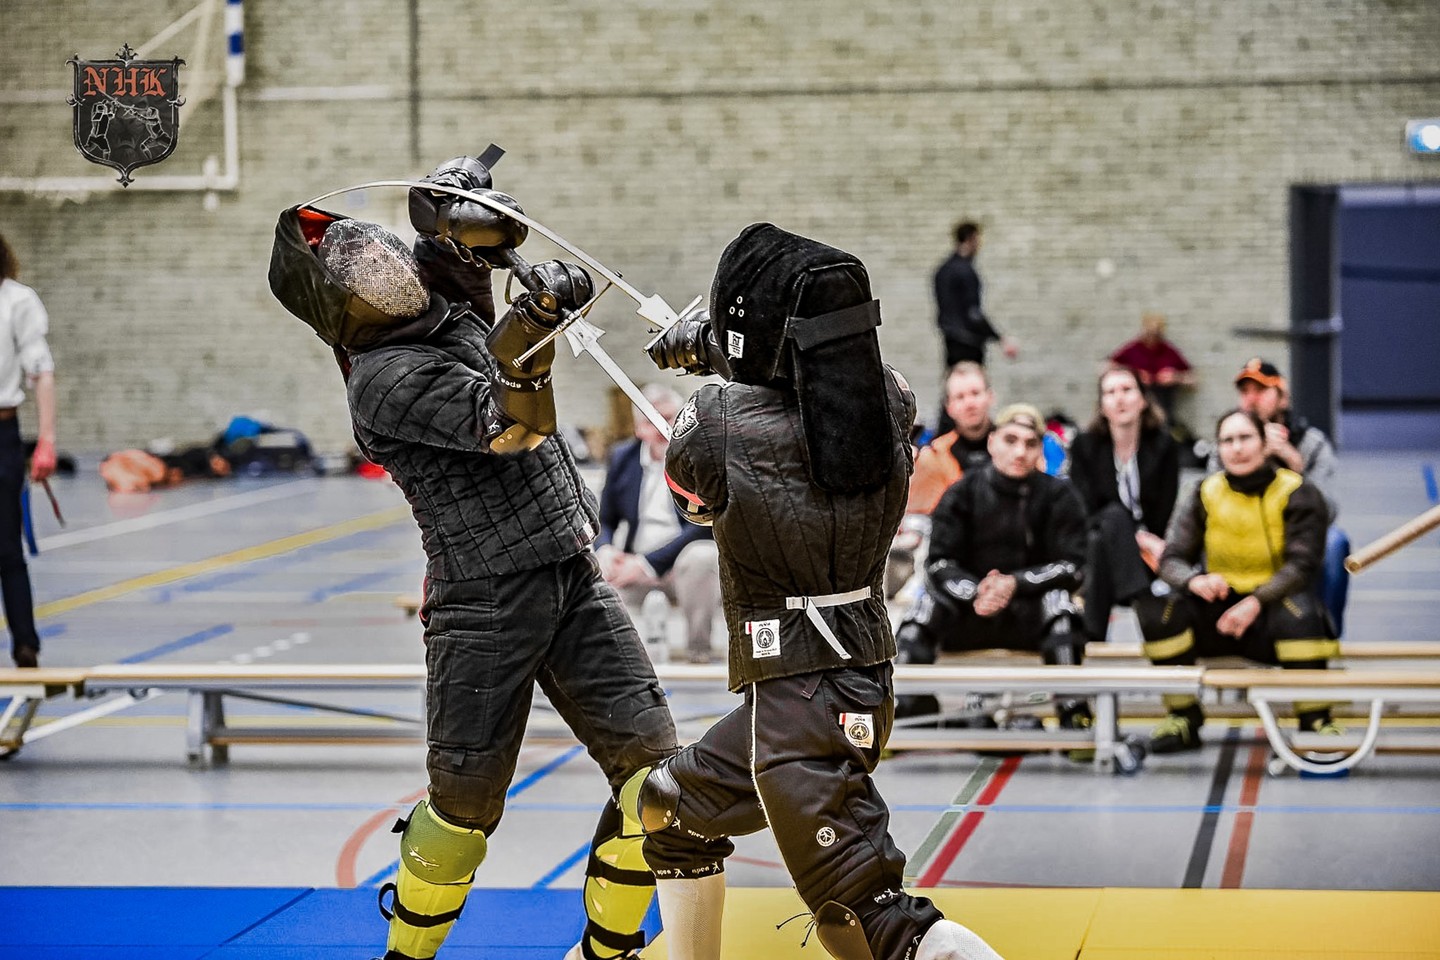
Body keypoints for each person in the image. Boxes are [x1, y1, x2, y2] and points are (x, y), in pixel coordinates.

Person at [267, 155, 682, 960]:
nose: (384, 262)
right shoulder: (383, 380)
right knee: (461, 812)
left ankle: (604, 953)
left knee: (659, 783)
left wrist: (458, 198)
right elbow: (510, 425)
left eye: (375, 245)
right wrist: (530, 331)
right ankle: (407, 956)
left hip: (567, 572)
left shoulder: (429, 306)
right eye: (361, 264)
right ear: (342, 304)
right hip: (484, 601)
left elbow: (455, 243)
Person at [635, 223, 1005, 960]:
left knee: (868, 920)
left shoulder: (714, 423)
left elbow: (692, 497)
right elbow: (822, 383)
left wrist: (713, 354)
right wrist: (722, 347)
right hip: (841, 682)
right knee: (674, 810)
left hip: (803, 702)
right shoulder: (893, 400)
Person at [1137, 409, 1338, 753]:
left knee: (1301, 611)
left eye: (1245, 438)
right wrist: (1194, 581)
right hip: (1219, 614)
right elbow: (1171, 559)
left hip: (1273, 616)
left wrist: (1256, 601)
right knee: (1157, 611)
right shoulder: (1205, 491)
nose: (1236, 448)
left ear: (1264, 444)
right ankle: (1184, 717)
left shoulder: (1298, 491)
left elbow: (1302, 566)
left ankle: (1315, 720)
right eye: (1227, 441)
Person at [892, 404, 1090, 733]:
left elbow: (1074, 566)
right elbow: (939, 563)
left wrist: (1015, 583)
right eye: (1010, 440)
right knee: (923, 606)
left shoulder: (1060, 496)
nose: (1019, 452)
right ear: (992, 441)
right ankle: (910, 706)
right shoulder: (961, 493)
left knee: (1061, 604)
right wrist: (976, 591)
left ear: (1039, 449)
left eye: (1029, 444)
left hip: (1031, 617)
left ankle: (1073, 713)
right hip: (971, 614)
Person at [1219, 358, 1349, 636]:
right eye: (1245, 392)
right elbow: (1208, 498)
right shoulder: (1232, 439)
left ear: (1282, 397)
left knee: (1336, 543)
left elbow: (1328, 511)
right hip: (1240, 531)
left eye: (1261, 390)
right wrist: (1255, 460)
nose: (1251, 399)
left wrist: (1295, 465)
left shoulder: (1312, 443)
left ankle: (1324, 632)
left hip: (1296, 534)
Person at [596, 382, 721, 663]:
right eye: (655, 420)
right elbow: (605, 520)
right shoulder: (622, 457)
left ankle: (698, 652)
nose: (666, 427)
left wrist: (646, 563)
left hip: (682, 567)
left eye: (672, 417)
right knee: (596, 573)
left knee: (703, 556)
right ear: (640, 428)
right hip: (635, 564)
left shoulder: (699, 457)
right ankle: (620, 661)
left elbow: (703, 525)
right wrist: (606, 551)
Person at [1067, 365, 1179, 644]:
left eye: (1127, 390)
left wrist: (1145, 542)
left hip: (1149, 554)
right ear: (1102, 406)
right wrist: (1136, 538)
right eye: (1110, 392)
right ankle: (1142, 601)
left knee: (1104, 541)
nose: (1119, 398)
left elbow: (1165, 510)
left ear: (1143, 400)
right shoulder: (1084, 446)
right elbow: (1085, 512)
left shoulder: (1164, 446)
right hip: (1104, 543)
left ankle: (1089, 641)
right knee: (1110, 522)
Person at [0, 232, 56, 670]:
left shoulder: (17, 301)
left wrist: (47, 442)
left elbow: (41, 370)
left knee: (7, 549)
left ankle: (26, 645)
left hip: (3, 432)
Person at [933, 222, 1016, 435]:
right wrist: (1000, 339)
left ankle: (944, 437)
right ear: (971, 238)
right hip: (969, 342)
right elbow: (974, 314)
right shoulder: (966, 271)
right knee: (971, 391)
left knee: (954, 391)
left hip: (951, 340)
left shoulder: (942, 270)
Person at [1107, 312, 1194, 421]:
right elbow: (1107, 368)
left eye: (1156, 334)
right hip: (1135, 411)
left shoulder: (1169, 351)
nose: (1152, 338)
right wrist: (1133, 375)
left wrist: (1175, 377)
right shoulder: (1132, 349)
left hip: (1163, 408)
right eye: (1149, 333)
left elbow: (1192, 379)